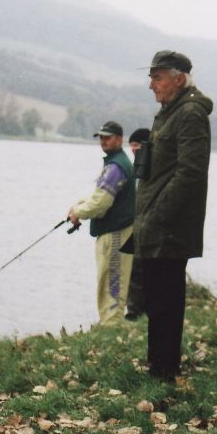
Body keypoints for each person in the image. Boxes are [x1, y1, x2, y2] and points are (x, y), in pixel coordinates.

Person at [132, 50, 213, 380]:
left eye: (157, 77)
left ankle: (165, 369)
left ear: (178, 79)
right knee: (156, 295)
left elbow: (191, 173)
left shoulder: (190, 113)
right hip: (155, 221)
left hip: (170, 225)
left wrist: (158, 214)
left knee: (166, 297)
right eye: (151, 77)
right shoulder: (169, 112)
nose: (151, 85)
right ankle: (158, 363)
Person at [68, 121, 136, 325]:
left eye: (108, 137)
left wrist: (78, 212)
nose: (103, 141)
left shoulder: (116, 167)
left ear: (119, 139)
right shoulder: (116, 162)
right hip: (115, 231)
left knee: (113, 280)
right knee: (107, 279)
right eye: (101, 137)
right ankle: (108, 322)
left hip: (116, 232)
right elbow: (100, 196)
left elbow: (101, 203)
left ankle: (111, 325)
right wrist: (80, 205)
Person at [125, 128, 150, 321]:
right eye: (131, 145)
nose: (133, 148)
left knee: (138, 269)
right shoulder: (137, 165)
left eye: (137, 145)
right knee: (135, 269)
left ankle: (135, 312)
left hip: (145, 225)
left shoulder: (148, 165)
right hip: (136, 224)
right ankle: (135, 310)